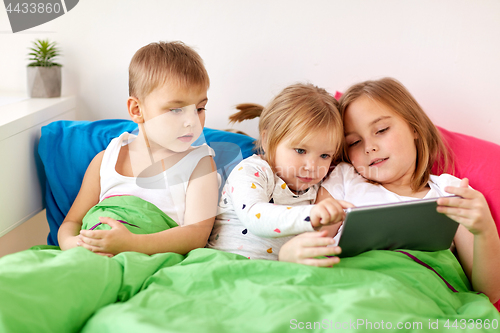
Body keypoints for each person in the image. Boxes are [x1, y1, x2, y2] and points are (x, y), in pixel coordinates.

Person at [279, 77, 500, 304]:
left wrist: (484, 230)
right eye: (354, 142)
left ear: (414, 127)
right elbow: (312, 241)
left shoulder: (450, 191)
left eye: (381, 130)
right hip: (350, 292)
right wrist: (289, 253)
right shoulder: (344, 178)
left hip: (423, 299)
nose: (369, 147)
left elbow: (488, 293)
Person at [58, 40, 219, 256]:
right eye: (176, 110)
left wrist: (131, 244)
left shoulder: (199, 163)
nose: (192, 121)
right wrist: (76, 245)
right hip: (86, 255)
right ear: (136, 109)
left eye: (199, 108)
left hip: (144, 259)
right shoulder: (106, 160)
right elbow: (72, 222)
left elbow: (197, 234)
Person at [207, 83, 351, 260]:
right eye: (300, 150)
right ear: (267, 140)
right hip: (231, 263)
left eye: (324, 155)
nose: (312, 166)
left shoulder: (315, 189)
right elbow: (255, 216)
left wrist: (332, 220)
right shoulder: (252, 171)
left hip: (279, 271)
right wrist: (311, 214)